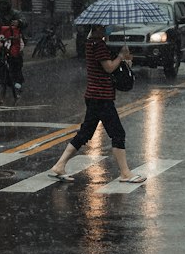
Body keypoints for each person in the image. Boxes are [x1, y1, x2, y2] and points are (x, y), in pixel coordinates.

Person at [48, 24, 145, 184]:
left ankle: (59, 165)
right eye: (104, 26)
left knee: (85, 133)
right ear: (97, 27)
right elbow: (108, 68)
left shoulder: (91, 43)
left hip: (94, 95)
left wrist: (121, 56)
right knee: (118, 133)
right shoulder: (98, 45)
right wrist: (121, 56)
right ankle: (125, 173)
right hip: (101, 97)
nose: (108, 28)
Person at [0, 0, 26, 93]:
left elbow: (24, 21)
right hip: (1, 40)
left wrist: (19, 22)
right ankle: (1, 75)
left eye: (5, 4)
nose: (3, 7)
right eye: (1, 5)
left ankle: (18, 81)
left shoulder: (15, 13)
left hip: (14, 40)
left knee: (16, 58)